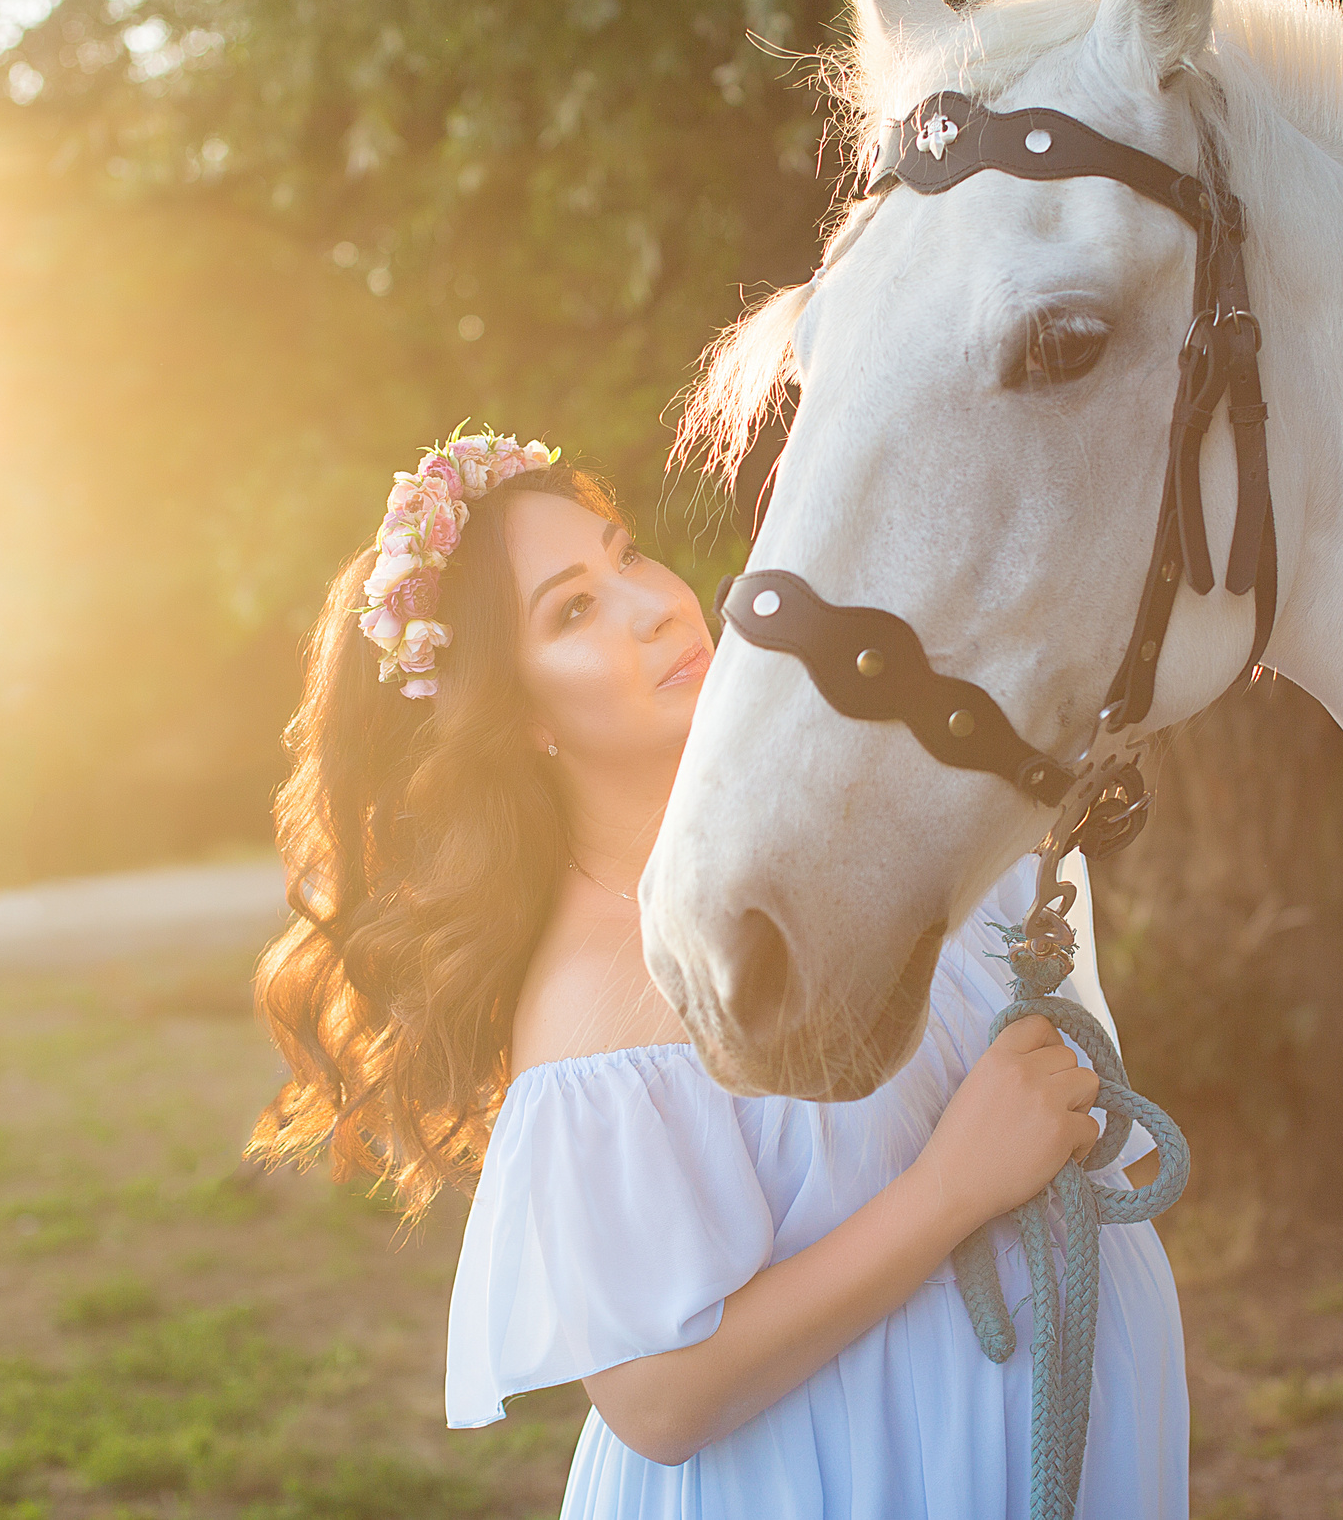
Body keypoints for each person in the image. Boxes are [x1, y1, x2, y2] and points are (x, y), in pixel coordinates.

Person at [250, 429, 1189, 1517]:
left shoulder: (872, 822)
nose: (651, 605)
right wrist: (950, 1192)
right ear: (517, 724)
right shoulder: (590, 1008)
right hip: (850, 1476)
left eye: (625, 556)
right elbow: (659, 1400)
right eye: (572, 610)